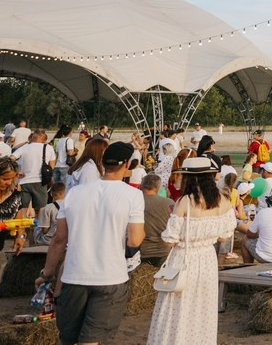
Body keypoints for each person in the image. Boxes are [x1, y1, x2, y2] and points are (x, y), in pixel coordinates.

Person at [36, 142, 143, 345]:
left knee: (67, 338)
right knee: (90, 340)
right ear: (126, 164)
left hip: (74, 275)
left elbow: (59, 239)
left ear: (102, 163)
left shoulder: (74, 193)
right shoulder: (133, 195)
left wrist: (46, 274)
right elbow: (135, 239)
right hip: (110, 276)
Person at [147, 156, 237, 344]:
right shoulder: (224, 201)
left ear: (190, 178)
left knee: (176, 309)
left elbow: (170, 240)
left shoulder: (185, 202)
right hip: (207, 260)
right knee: (202, 308)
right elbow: (224, 236)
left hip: (184, 258)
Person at [138, 173, 175, 265]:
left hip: (140, 252)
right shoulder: (169, 203)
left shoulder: (134, 202)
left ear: (141, 186)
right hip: (163, 251)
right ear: (158, 188)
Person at [16, 129, 55, 211]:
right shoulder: (49, 148)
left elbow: (10, 158)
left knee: (23, 209)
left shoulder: (24, 148)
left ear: (33, 138)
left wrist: (17, 172)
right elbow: (52, 166)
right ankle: (39, 223)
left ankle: (25, 223)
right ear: (44, 140)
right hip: (40, 182)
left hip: (24, 181)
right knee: (40, 209)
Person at [32, 180, 65, 246]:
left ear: (51, 194)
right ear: (64, 193)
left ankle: (32, 246)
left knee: (35, 225)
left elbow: (45, 230)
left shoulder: (48, 207)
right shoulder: (71, 206)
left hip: (50, 240)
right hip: (67, 239)